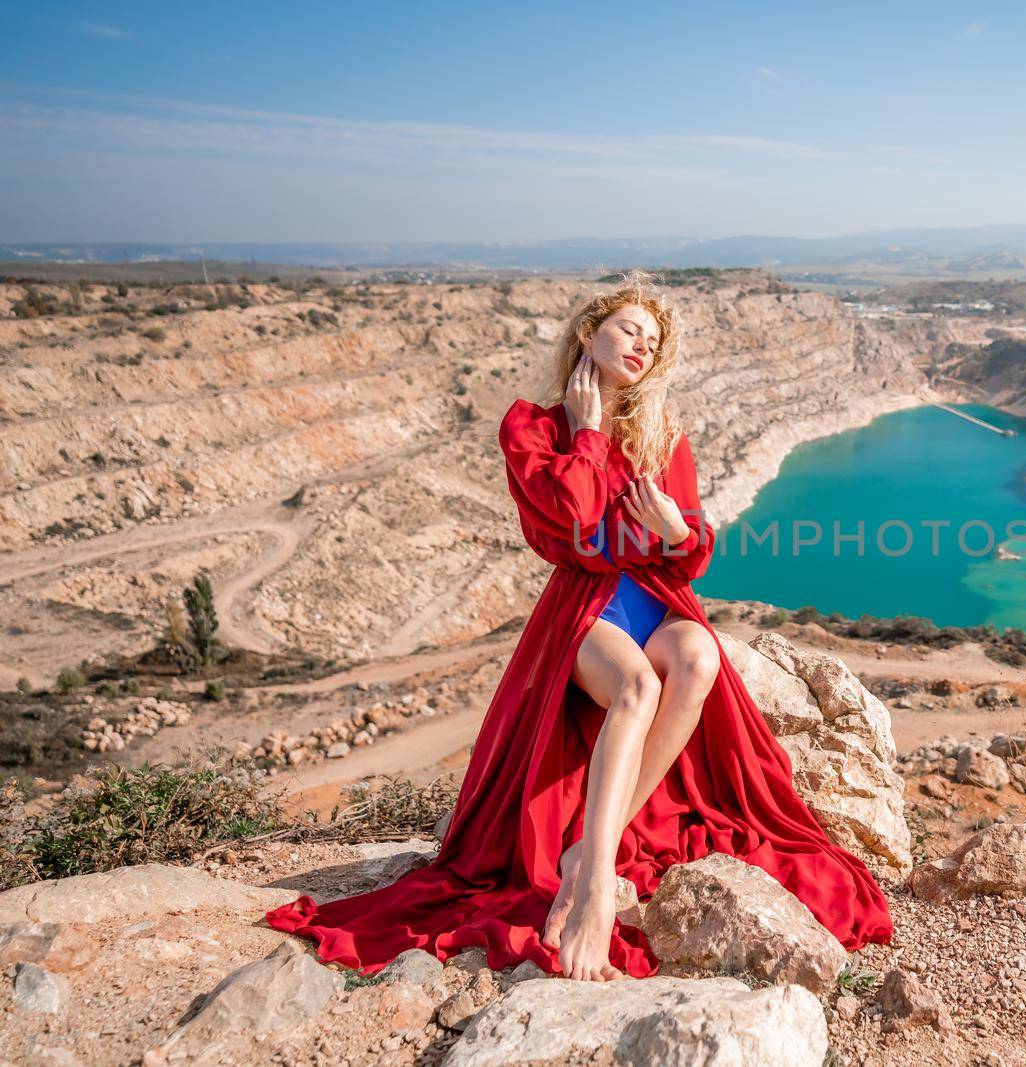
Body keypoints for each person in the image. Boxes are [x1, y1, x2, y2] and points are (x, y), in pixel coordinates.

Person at [265, 271, 894, 981]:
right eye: (629, 329)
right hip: (585, 605)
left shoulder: (662, 436)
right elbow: (570, 527)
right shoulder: (532, 426)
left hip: (652, 597)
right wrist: (590, 434)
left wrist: (677, 529)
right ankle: (594, 881)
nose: (642, 346)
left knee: (698, 656)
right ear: (588, 332)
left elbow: (690, 558)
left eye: (654, 340)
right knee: (634, 687)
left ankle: (591, 843)